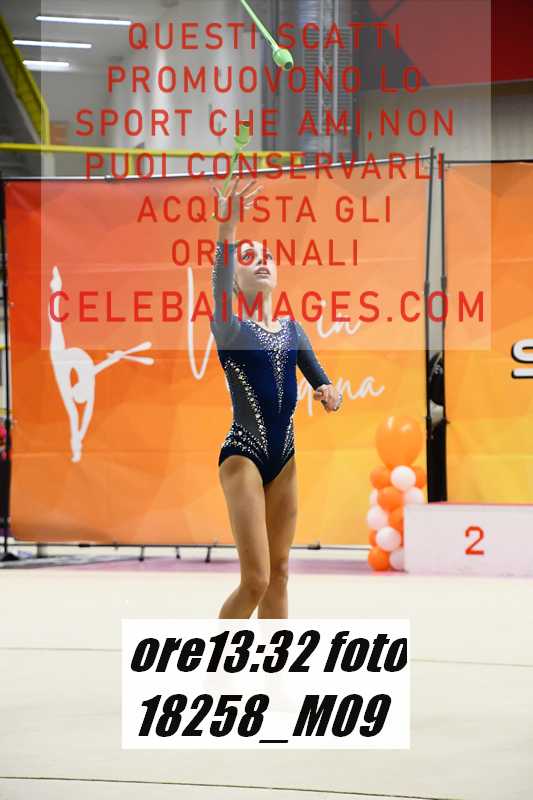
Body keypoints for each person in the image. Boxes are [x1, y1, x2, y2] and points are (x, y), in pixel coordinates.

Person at [210, 177, 342, 619]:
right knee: (256, 580)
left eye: (267, 257)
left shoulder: (292, 329)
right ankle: (216, 659)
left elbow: (325, 383)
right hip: (243, 456)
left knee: (281, 574)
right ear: (235, 280)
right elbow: (218, 283)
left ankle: (275, 662)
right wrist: (228, 231)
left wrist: (331, 393)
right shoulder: (230, 328)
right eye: (248, 259)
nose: (261, 262)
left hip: (285, 459)